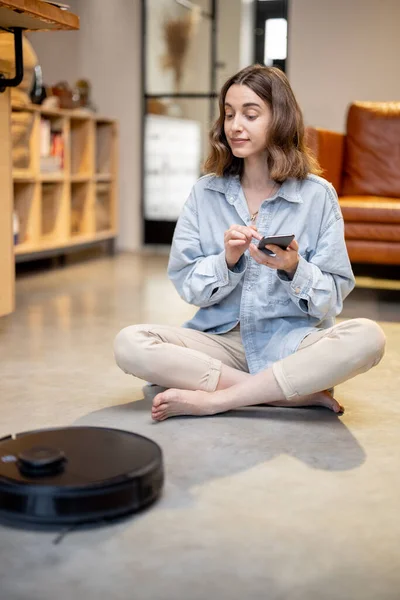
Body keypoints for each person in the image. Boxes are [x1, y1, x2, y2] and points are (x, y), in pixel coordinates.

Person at [114, 64, 386, 422]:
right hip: (219, 342)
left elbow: (331, 298)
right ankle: (284, 395)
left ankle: (217, 399)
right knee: (130, 343)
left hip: (292, 342)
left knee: (369, 337)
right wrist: (225, 261)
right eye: (229, 114)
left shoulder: (318, 196)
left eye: (250, 114)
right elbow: (187, 283)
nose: (235, 125)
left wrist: (294, 269)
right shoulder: (204, 192)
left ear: (280, 119)